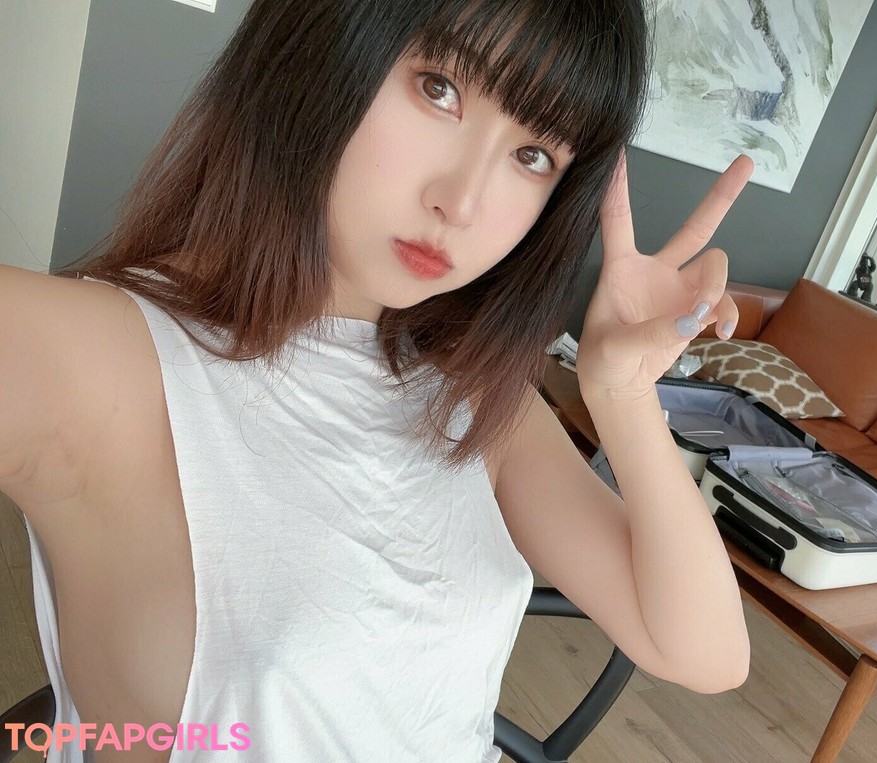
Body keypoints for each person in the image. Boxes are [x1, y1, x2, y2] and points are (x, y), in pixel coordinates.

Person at [0, 0, 752, 759]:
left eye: (532, 156)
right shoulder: (92, 356)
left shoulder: (476, 401)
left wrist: (623, 394)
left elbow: (705, 654)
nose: (461, 202)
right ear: (322, 45)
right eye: (438, 89)